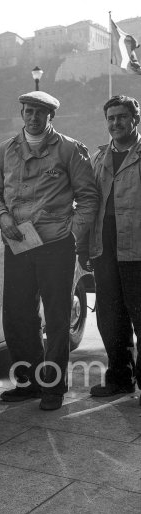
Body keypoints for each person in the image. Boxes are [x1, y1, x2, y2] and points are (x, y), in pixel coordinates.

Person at [0, 91, 99, 410]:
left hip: (56, 246)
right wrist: (2, 216)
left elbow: (88, 197)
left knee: (58, 316)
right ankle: (29, 382)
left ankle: (52, 387)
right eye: (28, 111)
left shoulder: (70, 149)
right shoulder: (6, 150)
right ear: (21, 112)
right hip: (18, 242)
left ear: (52, 117)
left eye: (40, 112)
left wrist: (71, 232)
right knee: (18, 316)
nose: (33, 117)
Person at [77, 95, 141, 401]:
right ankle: (120, 377)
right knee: (109, 315)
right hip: (104, 247)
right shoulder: (99, 159)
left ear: (135, 120)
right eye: (111, 118)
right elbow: (87, 204)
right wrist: (82, 246)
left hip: (137, 248)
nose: (116, 123)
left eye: (122, 117)